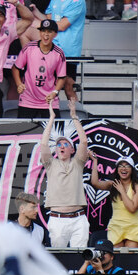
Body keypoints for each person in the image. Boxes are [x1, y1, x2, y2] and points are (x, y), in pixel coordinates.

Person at [40, 102, 89, 248]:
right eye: (58, 144)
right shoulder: (50, 164)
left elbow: (84, 141)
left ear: (72, 150)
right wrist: (51, 119)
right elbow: (43, 145)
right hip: (57, 218)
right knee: (60, 258)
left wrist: (74, 117)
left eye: (65, 144)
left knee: (80, 256)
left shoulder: (78, 163)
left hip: (78, 218)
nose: (61, 146)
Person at [39, 0, 85, 104]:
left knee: (68, 86)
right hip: (53, 48)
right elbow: (48, 16)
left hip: (68, 51)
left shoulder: (77, 0)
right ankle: (51, 115)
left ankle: (77, 118)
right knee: (50, 85)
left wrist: (43, 25)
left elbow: (62, 26)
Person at [12, 19, 66, 118]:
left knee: (54, 132)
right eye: (43, 31)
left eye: (49, 32)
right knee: (24, 131)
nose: (46, 35)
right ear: (40, 32)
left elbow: (61, 77)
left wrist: (55, 92)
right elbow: (16, 68)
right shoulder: (29, 48)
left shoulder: (59, 53)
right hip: (28, 100)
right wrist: (19, 84)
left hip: (49, 100)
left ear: (55, 34)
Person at [89, 154, 138, 248]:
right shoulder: (113, 184)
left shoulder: (137, 187)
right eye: (120, 166)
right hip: (116, 227)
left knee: (130, 256)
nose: (124, 168)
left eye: (127, 166)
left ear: (132, 169)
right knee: (117, 257)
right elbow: (95, 183)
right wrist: (95, 162)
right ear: (117, 169)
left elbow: (132, 208)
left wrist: (122, 191)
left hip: (133, 227)